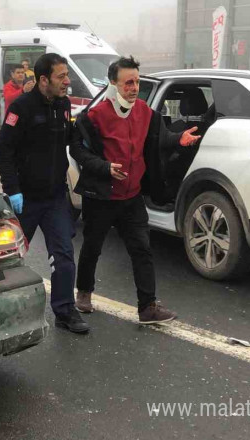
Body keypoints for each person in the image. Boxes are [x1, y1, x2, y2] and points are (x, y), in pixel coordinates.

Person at [70, 56, 200, 324]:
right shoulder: (95, 116)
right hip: (102, 197)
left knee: (142, 250)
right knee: (92, 247)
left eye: (137, 81)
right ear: (113, 84)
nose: (134, 87)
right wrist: (105, 167)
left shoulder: (145, 113)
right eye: (128, 82)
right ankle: (84, 293)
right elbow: (78, 150)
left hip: (132, 197)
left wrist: (180, 139)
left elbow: (160, 140)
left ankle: (148, 307)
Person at [0, 53, 89, 334]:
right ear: (44, 79)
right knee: (8, 257)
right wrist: (13, 190)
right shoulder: (21, 108)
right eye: (62, 76)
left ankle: (65, 311)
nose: (67, 81)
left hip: (55, 198)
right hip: (25, 199)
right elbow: (4, 152)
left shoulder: (63, 105)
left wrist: (87, 137)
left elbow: (70, 140)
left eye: (67, 75)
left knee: (63, 257)